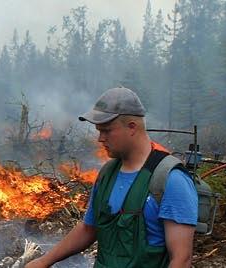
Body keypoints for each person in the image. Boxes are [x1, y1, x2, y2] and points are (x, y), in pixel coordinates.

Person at [26, 87, 198, 268]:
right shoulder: (108, 173)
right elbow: (88, 229)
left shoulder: (171, 180)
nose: (100, 139)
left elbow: (181, 259)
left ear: (132, 127)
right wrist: (44, 261)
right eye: (99, 131)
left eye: (107, 131)